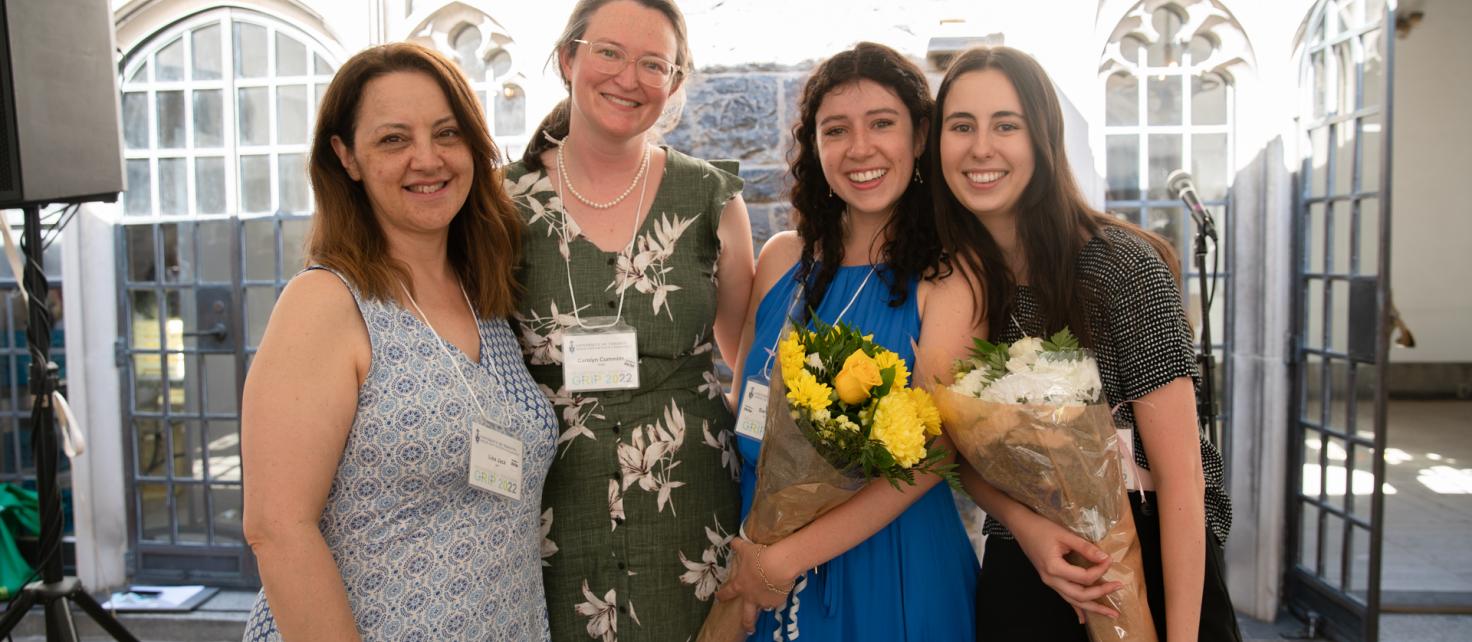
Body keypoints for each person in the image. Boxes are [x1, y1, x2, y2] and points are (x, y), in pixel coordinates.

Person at [240, 42, 556, 641]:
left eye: (447, 133)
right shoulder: (327, 303)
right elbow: (277, 529)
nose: (427, 159)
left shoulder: (485, 295)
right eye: (393, 140)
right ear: (346, 157)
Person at [927, 46, 1241, 641]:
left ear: (1043, 138)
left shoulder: (1122, 266)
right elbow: (957, 450)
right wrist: (1027, 528)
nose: (981, 148)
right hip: (1025, 566)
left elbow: (1182, 479)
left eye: (1006, 125)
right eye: (961, 126)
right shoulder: (953, 284)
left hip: (1145, 548)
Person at [502, 1, 755, 639]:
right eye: (609, 52)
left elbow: (747, 367)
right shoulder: (500, 204)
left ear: (673, 83)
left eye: (653, 64)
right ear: (569, 59)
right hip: (550, 517)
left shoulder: (711, 200)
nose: (628, 77)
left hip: (692, 512)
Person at [714, 42, 980, 641]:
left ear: (918, 138)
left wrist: (786, 559)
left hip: (891, 565)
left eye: (882, 123)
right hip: (763, 555)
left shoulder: (949, 278)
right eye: (836, 130)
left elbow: (938, 455)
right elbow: (746, 404)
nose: (860, 148)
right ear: (816, 148)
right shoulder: (782, 257)